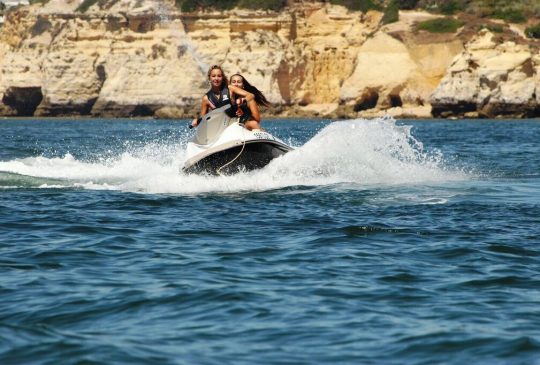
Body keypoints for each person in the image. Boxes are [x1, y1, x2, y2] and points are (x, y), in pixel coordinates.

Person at [191, 65, 257, 129]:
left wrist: (241, 101)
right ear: (209, 78)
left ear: (222, 78)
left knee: (254, 124)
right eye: (213, 76)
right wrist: (197, 121)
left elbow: (251, 95)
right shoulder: (206, 98)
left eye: (219, 76)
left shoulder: (230, 88)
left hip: (237, 123)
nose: (216, 78)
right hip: (221, 128)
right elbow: (203, 118)